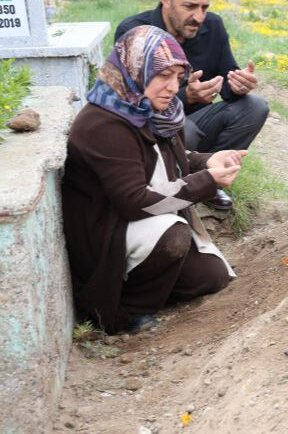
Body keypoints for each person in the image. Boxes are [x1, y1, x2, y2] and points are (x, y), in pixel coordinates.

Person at [62, 26, 243, 334]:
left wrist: (206, 161)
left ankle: (146, 280)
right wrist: (207, 182)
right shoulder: (105, 123)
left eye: (177, 77)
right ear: (135, 70)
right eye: (162, 76)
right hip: (108, 233)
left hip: (135, 223)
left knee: (211, 276)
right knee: (174, 236)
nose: (173, 87)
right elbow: (135, 204)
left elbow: (168, 160)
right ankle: (121, 312)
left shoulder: (156, 111)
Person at [115, 0, 268, 211]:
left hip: (196, 121)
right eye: (189, 6)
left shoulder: (213, 27)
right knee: (184, 127)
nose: (199, 16)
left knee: (255, 107)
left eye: (204, 7)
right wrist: (185, 96)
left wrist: (239, 85)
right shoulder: (135, 31)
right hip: (149, 125)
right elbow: (130, 101)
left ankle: (210, 179)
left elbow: (227, 82)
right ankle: (174, 186)